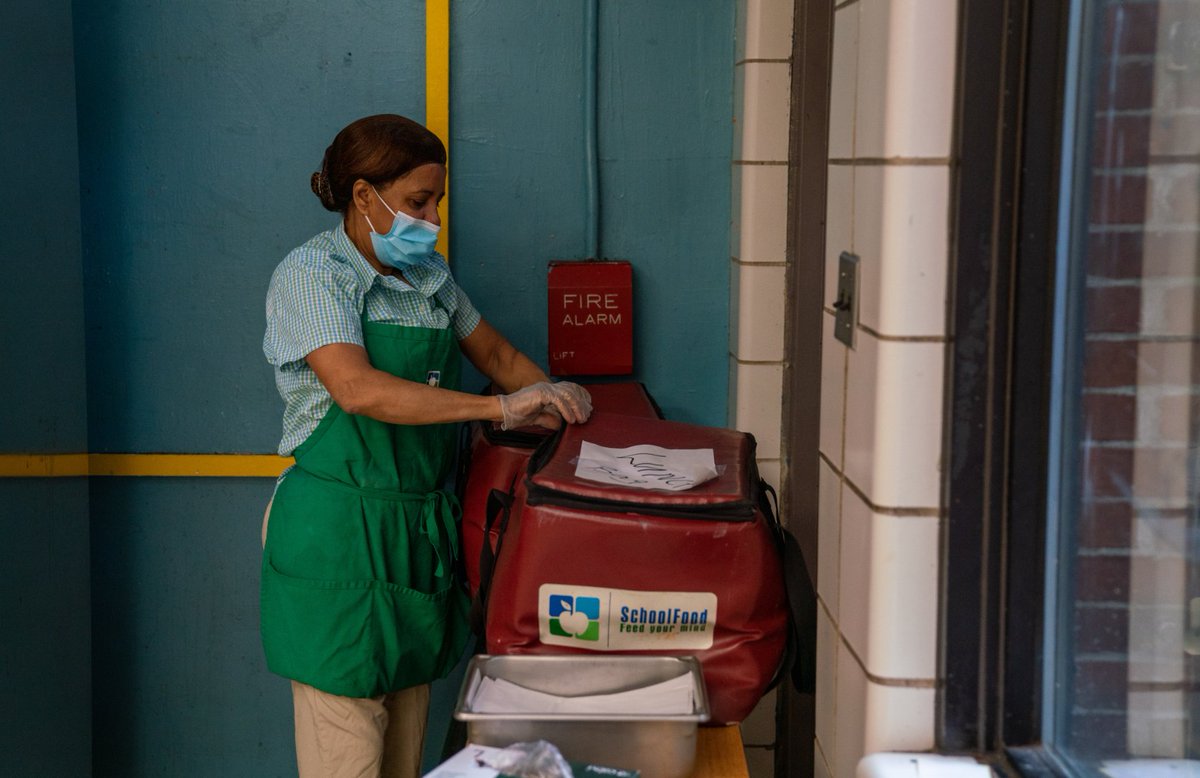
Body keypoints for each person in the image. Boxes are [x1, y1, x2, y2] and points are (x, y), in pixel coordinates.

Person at [260, 114, 592, 778]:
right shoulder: (313, 275)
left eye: (437, 199)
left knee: (403, 761)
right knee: (348, 760)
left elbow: (495, 352)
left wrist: (560, 398)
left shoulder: (430, 278)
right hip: (338, 536)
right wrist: (500, 407)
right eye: (418, 201)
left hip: (416, 533)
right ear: (362, 197)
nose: (433, 217)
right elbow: (357, 390)